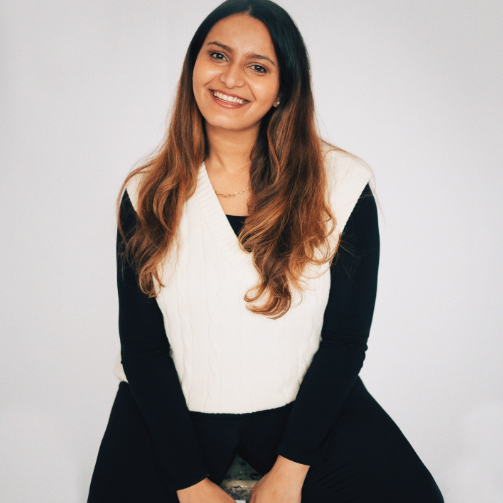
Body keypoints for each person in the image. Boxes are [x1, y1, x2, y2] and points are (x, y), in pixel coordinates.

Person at [87, 1, 444, 502]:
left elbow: (345, 339)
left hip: (303, 413)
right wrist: (188, 482)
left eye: (258, 67)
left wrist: (290, 472)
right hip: (172, 415)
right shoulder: (146, 192)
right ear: (194, 65)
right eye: (218, 55)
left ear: (283, 90)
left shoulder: (341, 185)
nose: (231, 78)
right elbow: (142, 348)